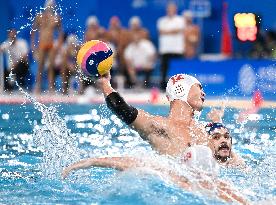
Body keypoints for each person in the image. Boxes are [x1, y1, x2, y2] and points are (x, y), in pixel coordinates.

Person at [31, 0, 63, 93]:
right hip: (42, 43)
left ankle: (51, 88)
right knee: (40, 66)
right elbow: (33, 31)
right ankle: (38, 87)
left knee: (51, 67)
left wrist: (59, 45)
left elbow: (61, 32)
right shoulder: (39, 16)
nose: (50, 7)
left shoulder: (56, 18)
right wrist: (33, 45)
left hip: (51, 44)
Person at [157, 2, 185, 90]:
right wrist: (173, 31)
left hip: (177, 49)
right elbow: (161, 31)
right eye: (169, 9)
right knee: (164, 70)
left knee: (178, 70)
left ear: (175, 10)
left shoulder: (180, 20)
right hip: (165, 49)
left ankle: (179, 87)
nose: (170, 11)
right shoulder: (161, 20)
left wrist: (167, 32)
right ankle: (163, 88)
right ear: (167, 10)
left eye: (172, 9)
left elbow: (178, 30)